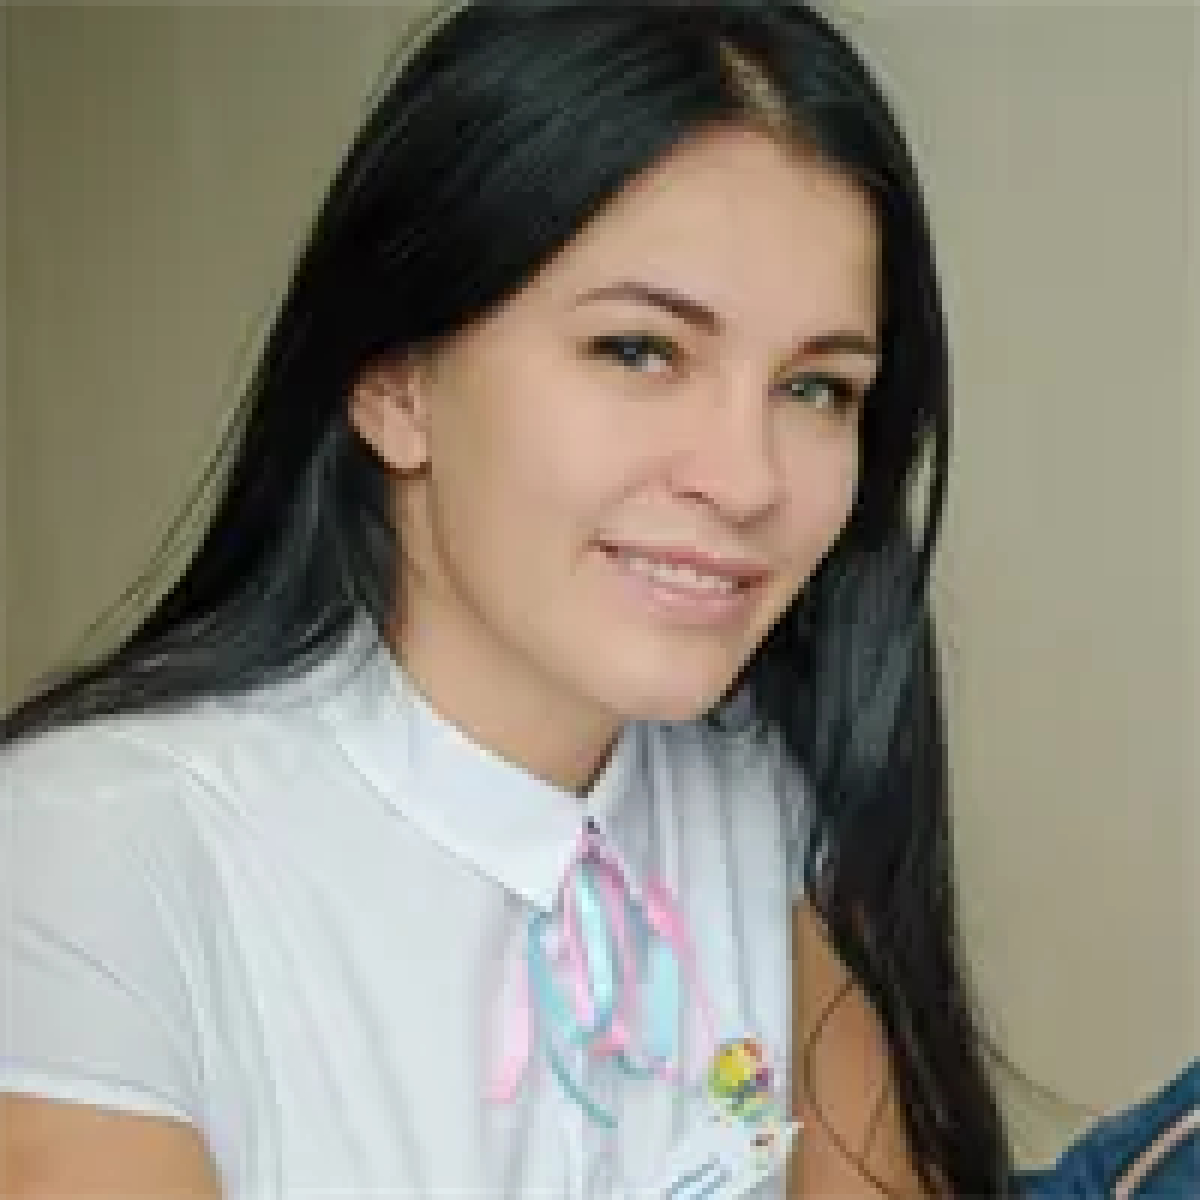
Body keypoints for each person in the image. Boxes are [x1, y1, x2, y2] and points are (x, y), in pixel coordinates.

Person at [1, 1, 1016, 1196]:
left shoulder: (768, 791)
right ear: (395, 384)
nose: (747, 480)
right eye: (639, 351)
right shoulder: (88, 853)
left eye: (815, 387)